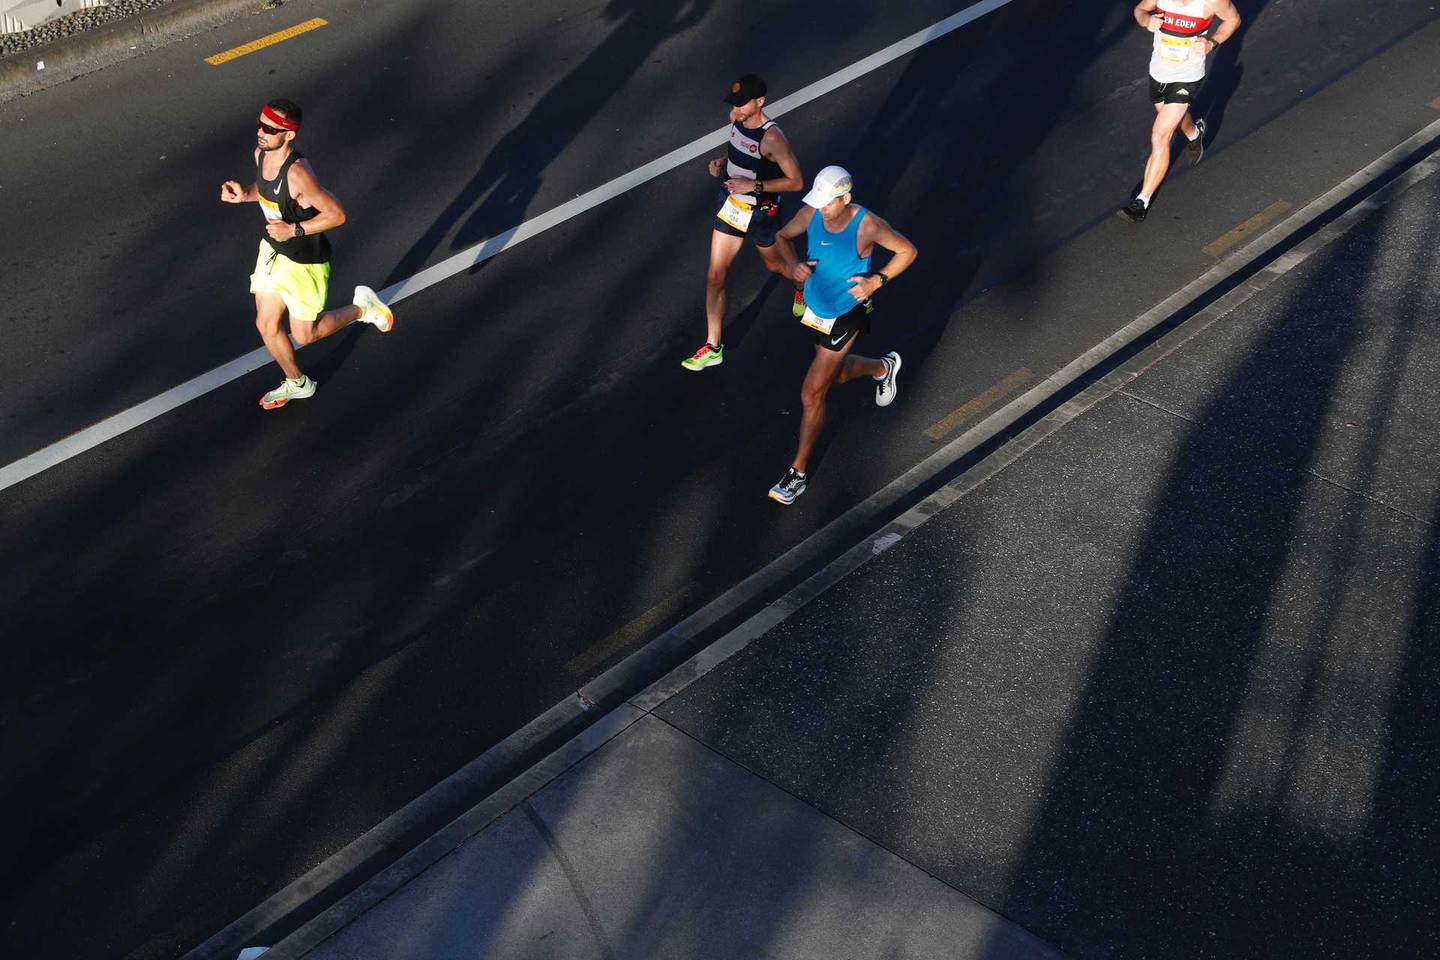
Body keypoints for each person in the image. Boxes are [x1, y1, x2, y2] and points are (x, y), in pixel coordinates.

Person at [220, 99, 394, 409]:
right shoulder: (261, 154)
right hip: (273, 251)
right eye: (260, 124)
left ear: (289, 135)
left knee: (306, 335)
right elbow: (265, 190)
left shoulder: (298, 174)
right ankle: (298, 383)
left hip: (305, 261)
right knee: (266, 324)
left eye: (270, 128)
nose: (261, 132)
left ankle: (362, 309)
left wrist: (293, 230)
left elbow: (337, 215)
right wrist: (244, 195)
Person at [766, 165, 917, 505]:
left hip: (847, 314)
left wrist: (876, 281)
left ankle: (797, 474)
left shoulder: (868, 225)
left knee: (811, 393)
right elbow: (782, 237)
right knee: (835, 376)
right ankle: (883, 368)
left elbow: (908, 251)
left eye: (827, 202)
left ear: (845, 198)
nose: (821, 208)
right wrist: (792, 265)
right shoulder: (811, 213)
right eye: (818, 201)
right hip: (816, 309)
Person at [681, 74, 805, 371]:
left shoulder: (773, 139)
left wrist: (754, 186)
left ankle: (804, 285)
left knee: (776, 266)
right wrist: (723, 162)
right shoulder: (736, 119)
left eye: (741, 104)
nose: (735, 109)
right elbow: (736, 148)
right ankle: (713, 346)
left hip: (761, 212)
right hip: (731, 205)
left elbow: (796, 182)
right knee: (715, 275)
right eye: (734, 103)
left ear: (760, 102)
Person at [1118, 0, 1241, 223]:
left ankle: (1141, 202)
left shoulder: (1212, 1)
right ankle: (1194, 133)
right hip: (1158, 73)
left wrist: (1211, 43)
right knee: (1173, 122)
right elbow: (1140, 10)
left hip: (1188, 76)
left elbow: (1233, 19)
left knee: (1160, 135)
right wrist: (1146, 20)